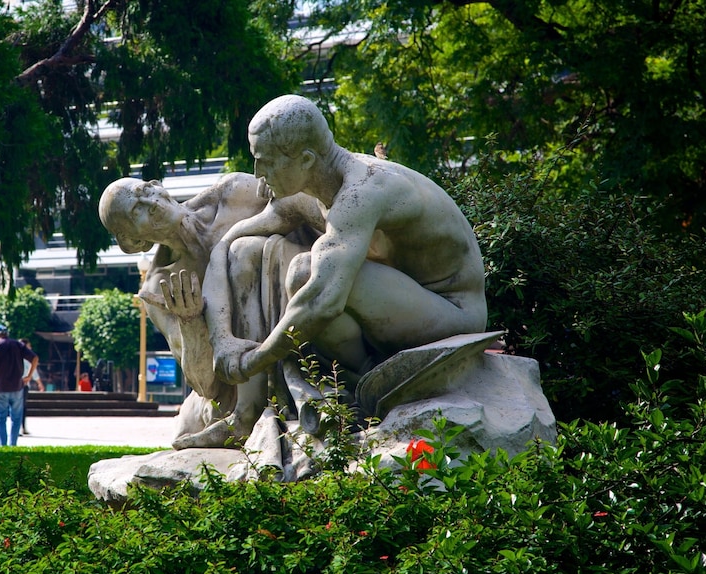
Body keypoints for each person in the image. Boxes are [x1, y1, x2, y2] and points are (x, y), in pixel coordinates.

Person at [194, 94, 488, 447]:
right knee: (261, 255)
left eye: (267, 162)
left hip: (452, 310)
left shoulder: (361, 192)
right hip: (399, 298)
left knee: (307, 272)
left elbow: (322, 302)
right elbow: (227, 245)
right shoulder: (313, 186)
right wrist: (222, 339)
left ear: (305, 159)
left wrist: (255, 359)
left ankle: (361, 390)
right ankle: (343, 389)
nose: (258, 176)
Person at [98, 173, 316, 444]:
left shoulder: (233, 193)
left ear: (157, 186)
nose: (150, 202)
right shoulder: (161, 286)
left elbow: (311, 204)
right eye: (136, 210)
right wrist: (190, 322)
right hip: (238, 379)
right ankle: (247, 412)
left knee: (244, 250)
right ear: (134, 242)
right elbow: (205, 385)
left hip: (307, 304)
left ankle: (249, 413)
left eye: (145, 191)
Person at [0, 324, 38, 446]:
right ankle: (13, 444)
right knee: (16, 417)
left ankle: (2, 445)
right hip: (17, 386)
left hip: (1, 387)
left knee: (1, 417)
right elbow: (34, 358)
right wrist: (29, 376)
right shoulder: (18, 345)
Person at [19, 338, 44, 436]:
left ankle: (20, 427)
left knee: (19, 407)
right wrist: (39, 383)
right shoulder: (27, 359)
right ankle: (21, 427)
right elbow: (34, 372)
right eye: (29, 346)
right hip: (23, 385)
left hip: (17, 385)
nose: (30, 348)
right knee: (22, 407)